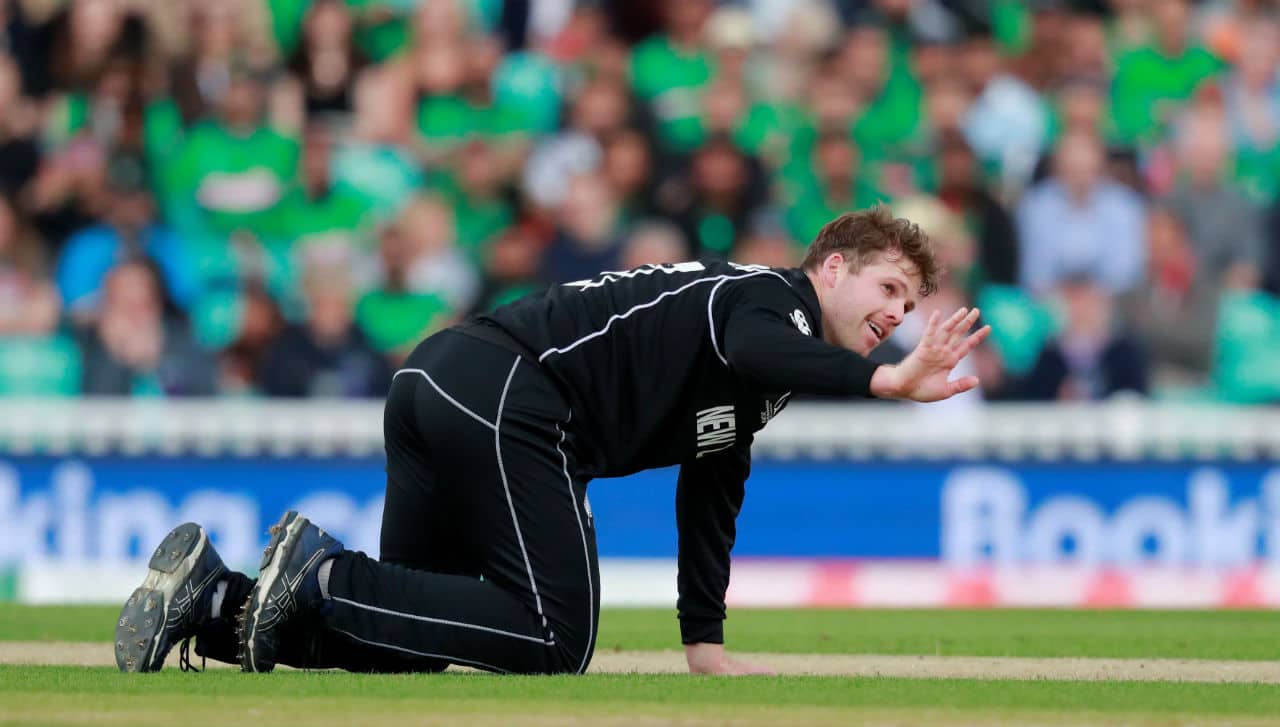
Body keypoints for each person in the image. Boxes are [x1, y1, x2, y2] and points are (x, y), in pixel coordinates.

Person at [115, 206, 990, 675]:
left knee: (406, 645)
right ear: (832, 267)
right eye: (889, 287)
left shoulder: (774, 368)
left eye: (911, 307)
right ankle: (322, 569)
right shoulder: (769, 299)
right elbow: (759, 343)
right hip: (506, 393)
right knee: (552, 638)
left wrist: (704, 642)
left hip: (447, 383)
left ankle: (217, 606)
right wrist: (885, 384)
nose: (897, 317)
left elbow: (713, 487)